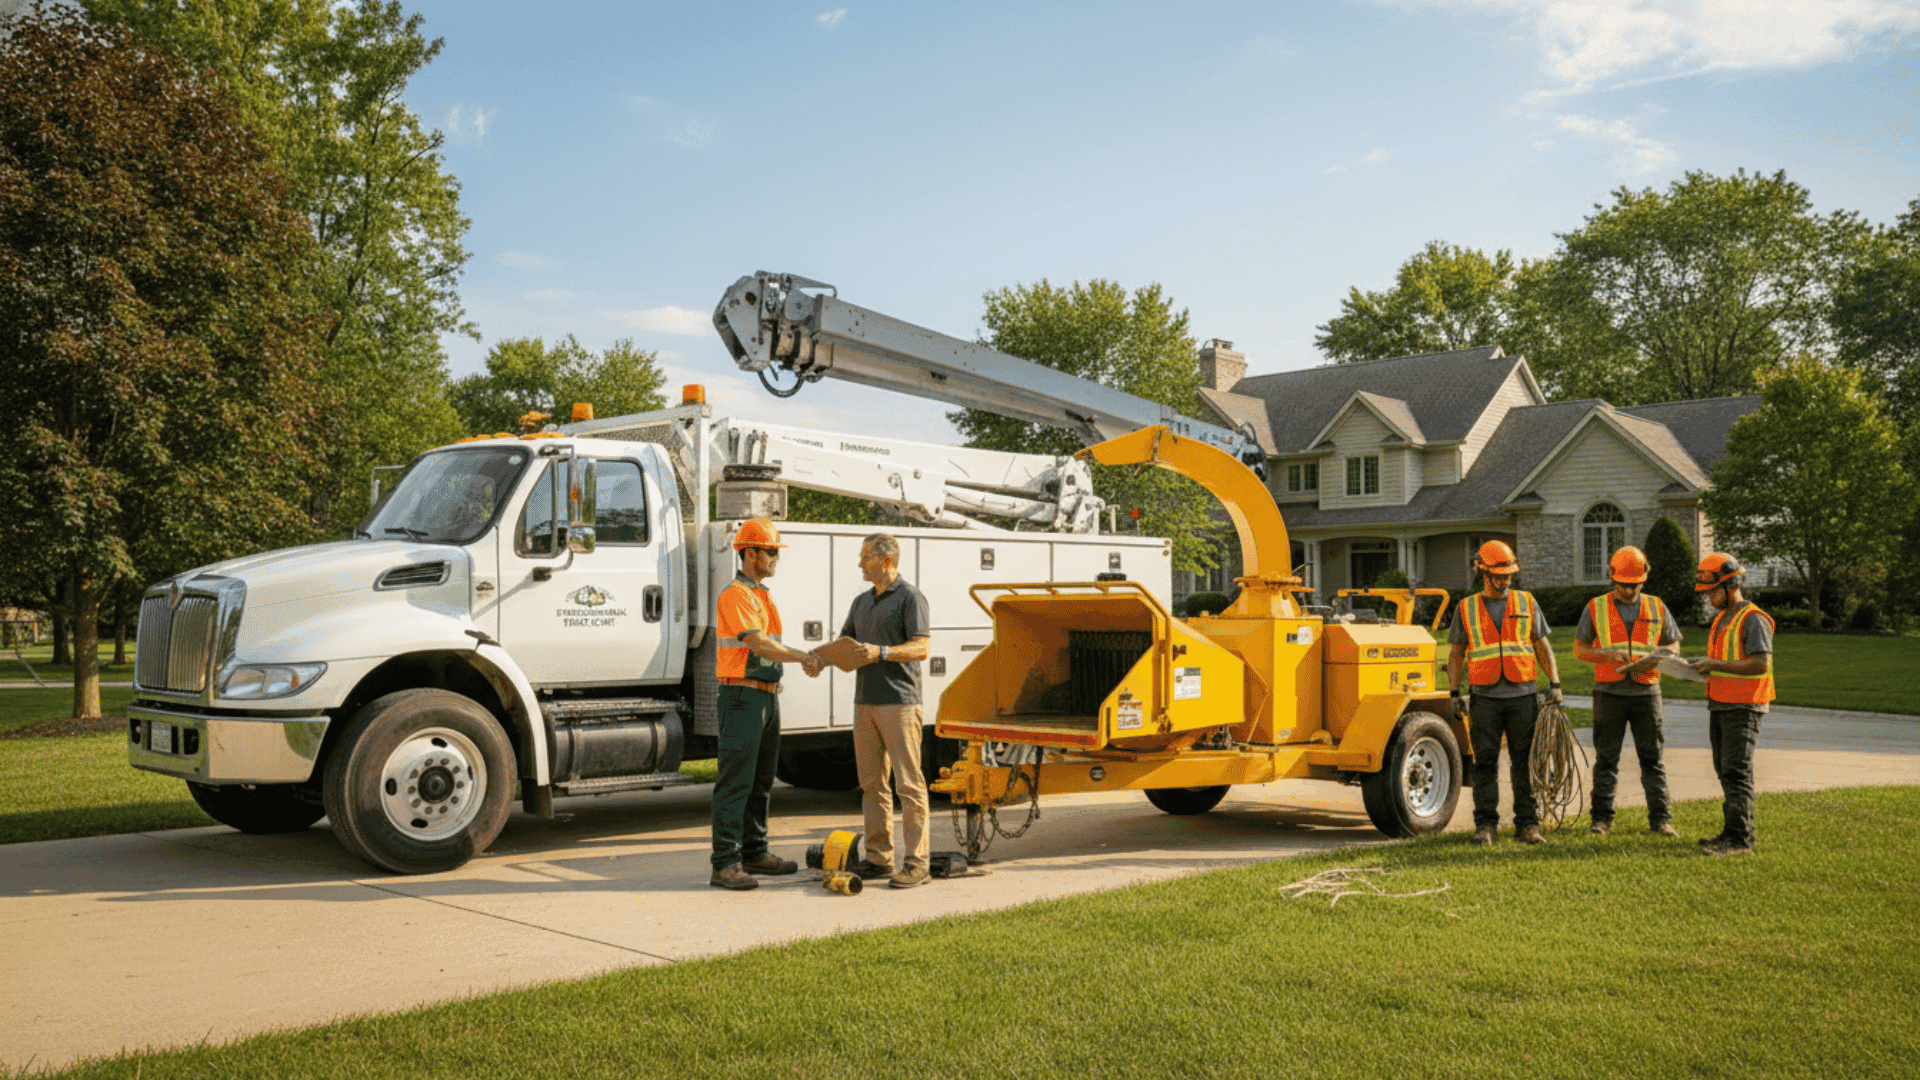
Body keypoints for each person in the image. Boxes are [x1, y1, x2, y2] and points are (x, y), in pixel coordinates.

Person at [708, 518, 823, 890]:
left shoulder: (761, 594)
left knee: (760, 781)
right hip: (742, 697)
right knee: (735, 782)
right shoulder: (736, 595)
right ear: (751, 553)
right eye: (771, 552)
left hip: (765, 697)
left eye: (776, 553)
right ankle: (725, 863)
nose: (776, 559)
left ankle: (755, 853)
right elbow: (758, 644)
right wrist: (805, 656)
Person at [829, 532, 934, 889]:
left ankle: (918, 862)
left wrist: (882, 653)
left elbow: (921, 647)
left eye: (866, 558)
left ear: (886, 560)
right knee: (871, 783)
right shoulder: (860, 602)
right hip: (865, 703)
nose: (860, 564)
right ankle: (879, 857)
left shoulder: (910, 597)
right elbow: (845, 643)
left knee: (908, 783)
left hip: (900, 703)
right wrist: (820, 659)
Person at [1447, 540, 1561, 846]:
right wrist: (1455, 691)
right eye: (1500, 575)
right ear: (1483, 573)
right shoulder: (1466, 608)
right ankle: (1485, 826)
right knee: (1484, 763)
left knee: (1525, 762)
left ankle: (1528, 825)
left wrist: (1555, 683)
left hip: (1523, 696)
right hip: (1484, 698)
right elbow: (1457, 652)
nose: (1506, 580)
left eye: (1509, 574)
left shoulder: (1526, 602)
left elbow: (1541, 644)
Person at [1572, 546, 1681, 838]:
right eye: (1623, 585)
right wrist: (1606, 655)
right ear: (1612, 577)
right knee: (1606, 759)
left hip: (1647, 692)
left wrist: (1662, 655)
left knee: (1652, 759)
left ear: (1644, 578)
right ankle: (1601, 820)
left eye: (1634, 585)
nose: (1629, 590)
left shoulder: (1657, 606)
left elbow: (1674, 644)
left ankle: (1661, 820)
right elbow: (1580, 649)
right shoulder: (1595, 607)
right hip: (1609, 693)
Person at [1689, 553, 1774, 856]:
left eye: (1713, 591)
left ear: (1731, 584)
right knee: (1724, 769)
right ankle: (1731, 831)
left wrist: (1716, 664)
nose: (1709, 598)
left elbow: (1761, 663)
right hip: (1721, 703)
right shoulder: (1722, 620)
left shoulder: (1753, 619)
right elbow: (1723, 662)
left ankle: (1741, 840)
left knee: (1737, 771)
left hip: (1744, 706)